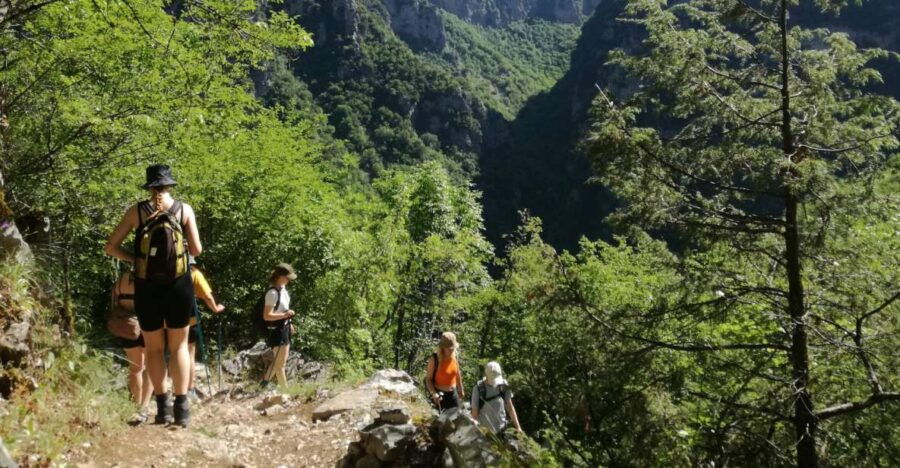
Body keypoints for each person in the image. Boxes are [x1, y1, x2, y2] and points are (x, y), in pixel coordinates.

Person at [105, 164, 201, 427]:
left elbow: (110, 247)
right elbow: (197, 250)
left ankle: (162, 409)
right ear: (170, 184)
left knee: (155, 349)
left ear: (149, 187)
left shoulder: (136, 211)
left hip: (146, 287)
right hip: (179, 286)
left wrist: (136, 260)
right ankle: (182, 408)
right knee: (179, 347)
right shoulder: (184, 209)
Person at [111, 271, 154, 424]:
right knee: (150, 366)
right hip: (149, 324)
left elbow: (114, 303)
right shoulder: (151, 278)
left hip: (127, 326)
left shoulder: (121, 279)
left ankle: (136, 404)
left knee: (135, 368)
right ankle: (144, 406)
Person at [187, 257, 225, 401]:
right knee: (189, 353)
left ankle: (177, 387)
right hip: (188, 319)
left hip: (166, 319)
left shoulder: (166, 271)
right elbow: (207, 296)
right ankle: (189, 389)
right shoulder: (194, 273)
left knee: (175, 352)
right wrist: (216, 308)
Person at [260, 263, 297, 388]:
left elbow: (282, 309)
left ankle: (262, 386)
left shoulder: (283, 289)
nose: (289, 280)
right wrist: (285, 315)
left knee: (279, 362)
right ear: (280, 276)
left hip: (284, 328)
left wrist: (288, 322)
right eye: (287, 277)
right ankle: (286, 392)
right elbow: (266, 316)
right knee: (280, 365)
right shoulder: (272, 293)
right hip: (276, 331)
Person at [470, 361, 522, 433]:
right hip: (485, 432)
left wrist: (518, 427)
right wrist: (474, 429)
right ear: (486, 375)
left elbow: (510, 408)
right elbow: (475, 411)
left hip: (502, 430)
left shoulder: (503, 386)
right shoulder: (478, 389)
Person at [424, 331, 465, 412]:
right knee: (441, 419)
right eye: (449, 348)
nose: (451, 350)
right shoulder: (435, 359)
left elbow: (457, 374)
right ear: (442, 348)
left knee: (456, 417)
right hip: (440, 397)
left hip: (453, 395)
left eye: (453, 348)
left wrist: (461, 388)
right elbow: (428, 379)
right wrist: (434, 394)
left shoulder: (454, 356)